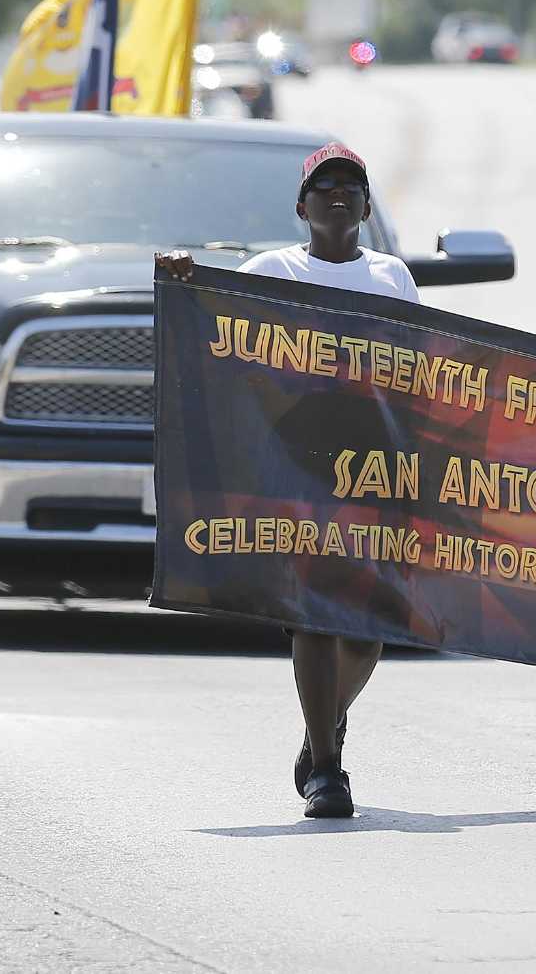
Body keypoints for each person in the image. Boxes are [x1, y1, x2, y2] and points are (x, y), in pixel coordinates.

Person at [157, 141, 419, 820]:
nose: (338, 193)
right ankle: (329, 774)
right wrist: (185, 281)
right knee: (311, 611)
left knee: (366, 630)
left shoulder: (392, 276)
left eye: (352, 185)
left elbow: (423, 375)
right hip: (294, 465)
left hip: (371, 468)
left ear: (366, 206)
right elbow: (224, 336)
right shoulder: (269, 270)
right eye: (324, 184)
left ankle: (319, 730)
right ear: (302, 206)